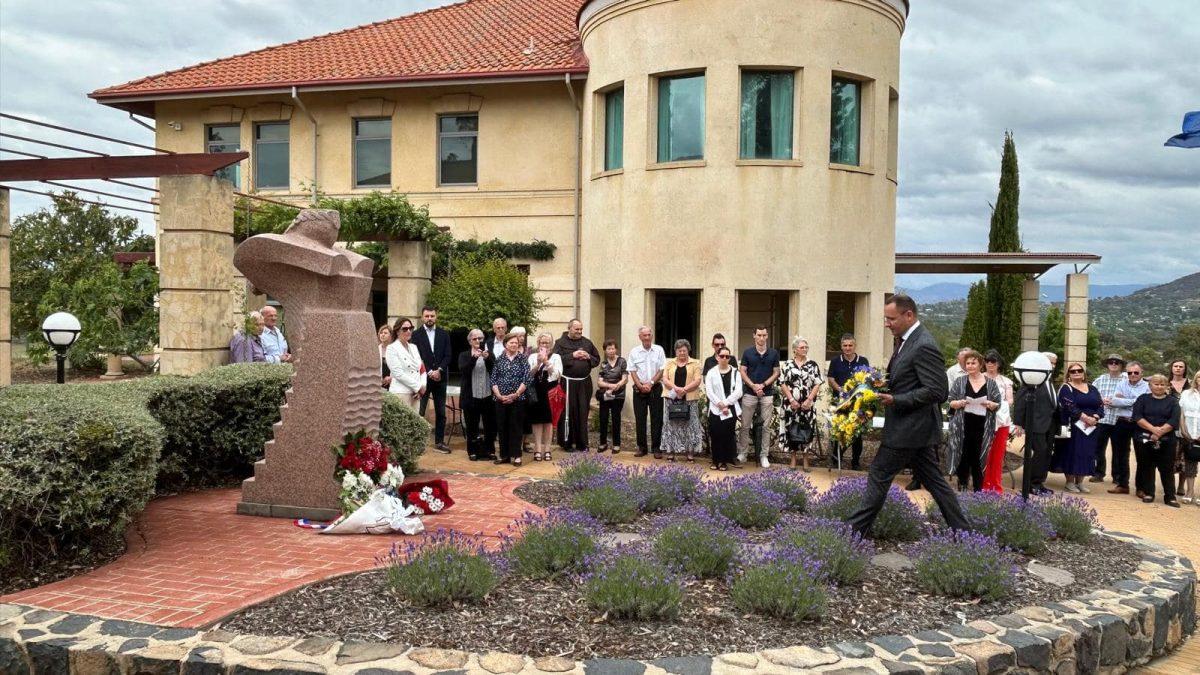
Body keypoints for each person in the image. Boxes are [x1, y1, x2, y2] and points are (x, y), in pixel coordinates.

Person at [847, 294, 971, 536]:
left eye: (891, 318)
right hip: (916, 431)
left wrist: (896, 399)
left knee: (879, 474)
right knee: (935, 482)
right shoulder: (905, 340)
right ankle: (964, 533)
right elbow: (907, 379)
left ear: (909, 315)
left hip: (909, 429)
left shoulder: (924, 344)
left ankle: (852, 533)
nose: (887, 323)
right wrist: (880, 384)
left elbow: (938, 391)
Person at [945, 350, 1001, 492]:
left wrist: (992, 405)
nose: (970, 366)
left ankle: (978, 487)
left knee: (979, 455)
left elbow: (997, 403)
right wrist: (958, 403)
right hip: (963, 424)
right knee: (963, 454)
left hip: (982, 425)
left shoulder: (991, 383)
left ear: (980, 364)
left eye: (973, 363)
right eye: (967, 363)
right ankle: (962, 482)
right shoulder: (960, 381)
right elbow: (950, 401)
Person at [1053, 363, 1104, 493]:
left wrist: (1095, 418)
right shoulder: (1066, 388)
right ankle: (1069, 482)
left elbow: (1100, 405)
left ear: (1083, 372)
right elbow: (1069, 406)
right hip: (1075, 427)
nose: (1076, 372)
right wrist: (1085, 418)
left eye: (1079, 370)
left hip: (1091, 428)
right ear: (1068, 374)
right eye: (1072, 371)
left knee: (1086, 453)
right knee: (1072, 452)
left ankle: (1080, 482)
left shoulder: (1092, 388)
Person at [1132, 374, 1181, 507]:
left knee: (1167, 469)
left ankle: (1170, 497)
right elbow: (1137, 416)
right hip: (1145, 438)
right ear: (1150, 385)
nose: (1159, 387)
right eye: (1156, 384)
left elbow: (1174, 420)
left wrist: (1160, 432)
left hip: (1167, 440)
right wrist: (1153, 430)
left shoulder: (1173, 401)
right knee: (1147, 466)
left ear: (1167, 386)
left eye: (1162, 384)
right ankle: (1149, 493)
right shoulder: (1142, 399)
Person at [1014, 355, 1058, 497]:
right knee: (1038, 453)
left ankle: (1039, 483)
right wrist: (1018, 423)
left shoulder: (1049, 381)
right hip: (1035, 424)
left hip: (1049, 425)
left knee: (1045, 454)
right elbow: (1020, 402)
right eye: (1049, 363)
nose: (1052, 366)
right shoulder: (1032, 380)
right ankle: (1031, 485)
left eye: (1054, 363)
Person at [554, 319, 601, 452]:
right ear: (569, 328)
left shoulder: (587, 342)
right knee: (568, 411)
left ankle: (582, 443)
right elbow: (555, 360)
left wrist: (588, 357)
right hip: (567, 382)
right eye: (577, 329)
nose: (580, 332)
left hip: (584, 383)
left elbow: (596, 360)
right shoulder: (560, 343)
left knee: (582, 412)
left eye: (581, 329)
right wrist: (572, 355)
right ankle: (567, 443)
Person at [778, 336, 823, 471]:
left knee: (806, 430)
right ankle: (793, 458)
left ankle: (805, 459)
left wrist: (809, 400)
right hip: (791, 404)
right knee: (792, 430)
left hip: (807, 405)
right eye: (802, 347)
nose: (805, 350)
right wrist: (791, 399)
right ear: (795, 350)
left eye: (806, 347)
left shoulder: (813, 365)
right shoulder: (787, 365)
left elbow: (817, 383)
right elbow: (782, 382)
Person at [738, 326, 781, 468]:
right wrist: (753, 386)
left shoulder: (773, 353)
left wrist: (762, 385)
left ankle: (764, 455)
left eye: (764, 335)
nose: (761, 338)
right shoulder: (747, 352)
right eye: (759, 335)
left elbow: (776, 372)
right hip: (750, 393)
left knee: (766, 427)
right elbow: (742, 371)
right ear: (754, 336)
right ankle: (743, 453)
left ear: (767, 336)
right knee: (744, 425)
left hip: (767, 393)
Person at [827, 333, 870, 470]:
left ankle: (855, 462)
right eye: (845, 345)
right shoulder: (835, 361)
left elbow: (867, 379)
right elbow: (831, 379)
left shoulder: (863, 361)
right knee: (839, 430)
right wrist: (840, 390)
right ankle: (836, 458)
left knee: (857, 433)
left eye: (850, 345)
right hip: (840, 402)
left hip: (857, 403)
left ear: (855, 346)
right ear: (841, 346)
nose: (847, 348)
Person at [1106, 361, 1149, 495]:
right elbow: (1114, 401)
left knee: (1142, 455)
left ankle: (1141, 488)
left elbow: (1144, 403)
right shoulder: (1121, 383)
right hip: (1122, 422)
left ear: (1142, 372)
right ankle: (1123, 484)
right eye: (1130, 372)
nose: (1133, 375)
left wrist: (1124, 400)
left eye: (1136, 372)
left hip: (1139, 423)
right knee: (1120, 454)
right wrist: (1134, 400)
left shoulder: (1147, 386)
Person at [414, 306, 452, 453]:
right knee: (420, 411)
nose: (430, 318)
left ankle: (440, 441)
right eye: (427, 316)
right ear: (422, 317)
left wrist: (439, 370)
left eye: (432, 316)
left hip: (440, 378)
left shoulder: (444, 334)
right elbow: (417, 356)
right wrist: (429, 371)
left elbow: (448, 355)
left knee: (441, 412)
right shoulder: (416, 335)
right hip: (423, 378)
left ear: (436, 316)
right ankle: (418, 443)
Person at [491, 332, 531, 466]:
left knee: (516, 427)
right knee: (502, 427)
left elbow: (527, 379)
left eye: (516, 343)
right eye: (511, 342)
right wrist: (499, 395)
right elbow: (493, 379)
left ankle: (517, 456)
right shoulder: (499, 359)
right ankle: (504, 456)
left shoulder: (522, 359)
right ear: (505, 344)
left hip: (518, 399)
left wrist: (516, 394)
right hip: (500, 399)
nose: (514, 345)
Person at [661, 339, 703, 462]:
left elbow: (697, 380)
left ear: (688, 350)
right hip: (671, 398)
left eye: (684, 350)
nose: (682, 353)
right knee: (671, 426)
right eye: (679, 351)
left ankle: (690, 453)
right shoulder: (669, 363)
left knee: (690, 426)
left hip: (689, 399)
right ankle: (670, 452)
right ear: (676, 351)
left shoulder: (695, 363)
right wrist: (676, 388)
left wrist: (684, 389)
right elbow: (664, 378)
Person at [628, 326, 667, 457]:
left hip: (655, 388)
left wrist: (650, 383)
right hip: (639, 390)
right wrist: (639, 385)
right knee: (640, 419)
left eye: (649, 334)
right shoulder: (634, 352)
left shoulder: (659, 350)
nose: (647, 337)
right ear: (640, 337)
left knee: (657, 419)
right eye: (644, 335)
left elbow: (662, 369)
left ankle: (656, 448)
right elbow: (632, 370)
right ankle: (641, 447)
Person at [458, 329, 496, 461]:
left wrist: (487, 358)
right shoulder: (464, 355)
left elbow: (494, 371)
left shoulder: (489, 354)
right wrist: (474, 359)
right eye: (475, 339)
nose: (478, 341)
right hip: (471, 397)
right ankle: (472, 451)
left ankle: (490, 450)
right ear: (470, 341)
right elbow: (464, 372)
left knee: (489, 426)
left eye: (480, 338)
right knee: (471, 426)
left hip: (487, 395)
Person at [1090, 354, 1127, 483]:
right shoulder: (1100, 379)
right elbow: (1091, 393)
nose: (1113, 364)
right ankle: (1099, 473)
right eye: (1111, 362)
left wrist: (1116, 401)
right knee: (1099, 448)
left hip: (1119, 419)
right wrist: (1100, 400)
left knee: (1118, 450)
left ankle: (1116, 477)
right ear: (1107, 364)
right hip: (1103, 419)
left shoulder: (1127, 379)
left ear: (1121, 365)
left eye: (1116, 362)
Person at [705, 345, 742, 471]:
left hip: (730, 409)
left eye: (727, 356)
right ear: (717, 357)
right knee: (715, 434)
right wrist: (720, 404)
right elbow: (709, 391)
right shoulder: (711, 372)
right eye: (722, 356)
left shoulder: (736, 372)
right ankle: (716, 460)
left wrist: (726, 403)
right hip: (715, 409)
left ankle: (724, 461)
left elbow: (738, 391)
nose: (725, 358)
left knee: (727, 435)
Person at [527, 332, 563, 462]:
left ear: (551, 344)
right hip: (536, 391)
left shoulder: (556, 357)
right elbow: (529, 374)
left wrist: (547, 362)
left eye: (547, 343)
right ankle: (537, 448)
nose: (545, 345)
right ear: (538, 344)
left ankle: (547, 449)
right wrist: (538, 363)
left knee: (548, 421)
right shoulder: (531, 356)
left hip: (550, 391)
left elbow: (558, 374)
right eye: (542, 342)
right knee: (537, 421)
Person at [981, 350, 1014, 492]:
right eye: (987, 361)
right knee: (984, 453)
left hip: (1001, 420)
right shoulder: (978, 378)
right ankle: (983, 484)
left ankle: (996, 485)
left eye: (993, 361)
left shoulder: (1006, 381)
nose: (990, 364)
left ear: (998, 364)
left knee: (998, 454)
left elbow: (1010, 400)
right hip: (982, 419)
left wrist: (996, 405)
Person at [385, 317, 426, 411]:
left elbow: (422, 369)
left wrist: (422, 387)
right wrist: (418, 387)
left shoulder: (414, 347)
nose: (408, 331)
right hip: (400, 394)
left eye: (411, 328)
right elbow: (398, 374)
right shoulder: (392, 348)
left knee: (415, 425)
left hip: (416, 395)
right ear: (397, 331)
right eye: (405, 329)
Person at [596, 339, 627, 454]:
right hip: (606, 394)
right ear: (605, 351)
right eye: (608, 349)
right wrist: (610, 386)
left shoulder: (622, 361)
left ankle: (616, 444)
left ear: (616, 349)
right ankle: (603, 443)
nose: (611, 351)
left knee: (616, 418)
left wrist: (617, 385)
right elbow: (599, 382)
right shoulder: (603, 364)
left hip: (618, 395)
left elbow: (625, 378)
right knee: (603, 418)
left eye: (613, 348)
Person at [1177, 372, 1200, 504]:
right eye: (1199, 377)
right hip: (1189, 434)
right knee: (1190, 464)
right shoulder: (1186, 394)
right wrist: (1184, 431)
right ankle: (1189, 491)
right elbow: (1181, 413)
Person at [377, 323, 393, 388]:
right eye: (381, 333)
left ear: (391, 336)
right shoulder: (376, 349)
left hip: (392, 384)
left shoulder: (395, 349)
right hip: (379, 384)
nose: (382, 334)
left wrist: (392, 378)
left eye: (385, 333)